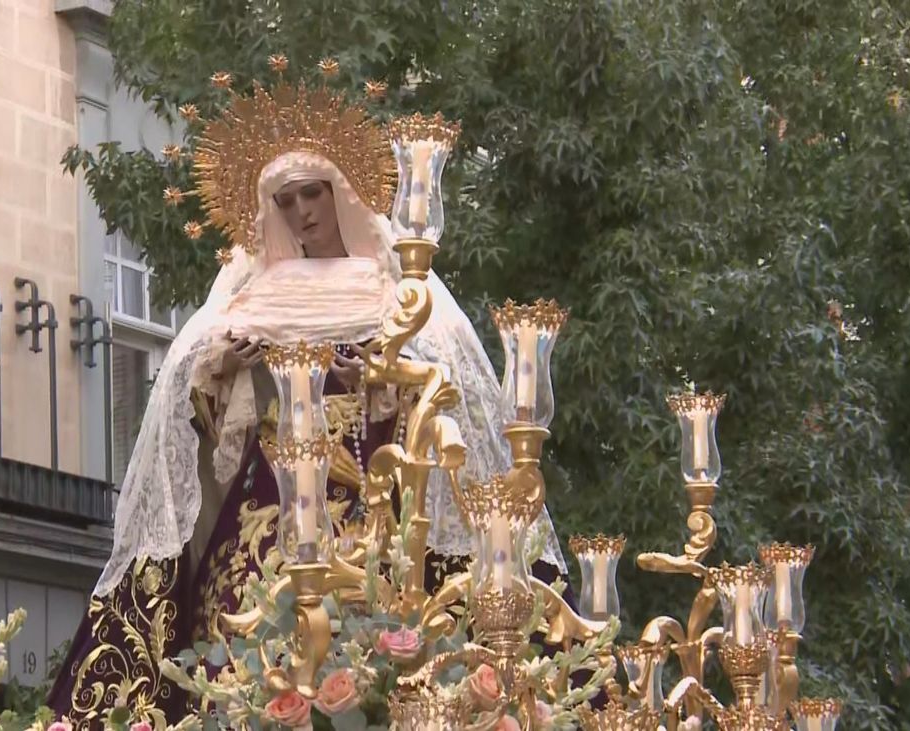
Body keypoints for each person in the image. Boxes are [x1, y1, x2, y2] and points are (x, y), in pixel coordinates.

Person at [46, 89, 566, 728]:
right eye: (285, 202)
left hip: (369, 499)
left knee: (385, 640)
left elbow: (440, 394)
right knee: (242, 644)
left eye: (310, 194)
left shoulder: (395, 288)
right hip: (269, 499)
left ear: (340, 191)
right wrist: (227, 369)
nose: (299, 213)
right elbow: (200, 421)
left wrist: (379, 382)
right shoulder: (255, 290)